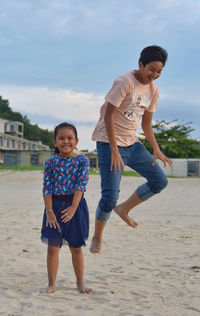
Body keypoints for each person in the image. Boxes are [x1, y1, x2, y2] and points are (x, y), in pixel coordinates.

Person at [89, 45, 173, 254]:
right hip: (108, 143)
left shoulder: (153, 90)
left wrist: (156, 149)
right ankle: (97, 237)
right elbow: (108, 116)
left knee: (159, 181)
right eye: (151, 69)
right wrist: (115, 150)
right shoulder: (125, 82)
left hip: (132, 144)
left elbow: (146, 124)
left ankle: (124, 209)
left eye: (159, 71)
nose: (154, 75)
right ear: (140, 64)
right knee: (109, 197)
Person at [41, 122, 92, 294]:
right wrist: (49, 213)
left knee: (76, 247)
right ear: (55, 142)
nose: (66, 142)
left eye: (70, 138)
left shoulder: (82, 161)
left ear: (76, 141)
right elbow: (47, 188)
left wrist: (73, 208)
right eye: (61, 138)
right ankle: (52, 284)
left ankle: (80, 283)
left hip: (75, 206)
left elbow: (81, 186)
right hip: (53, 207)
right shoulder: (50, 163)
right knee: (52, 247)